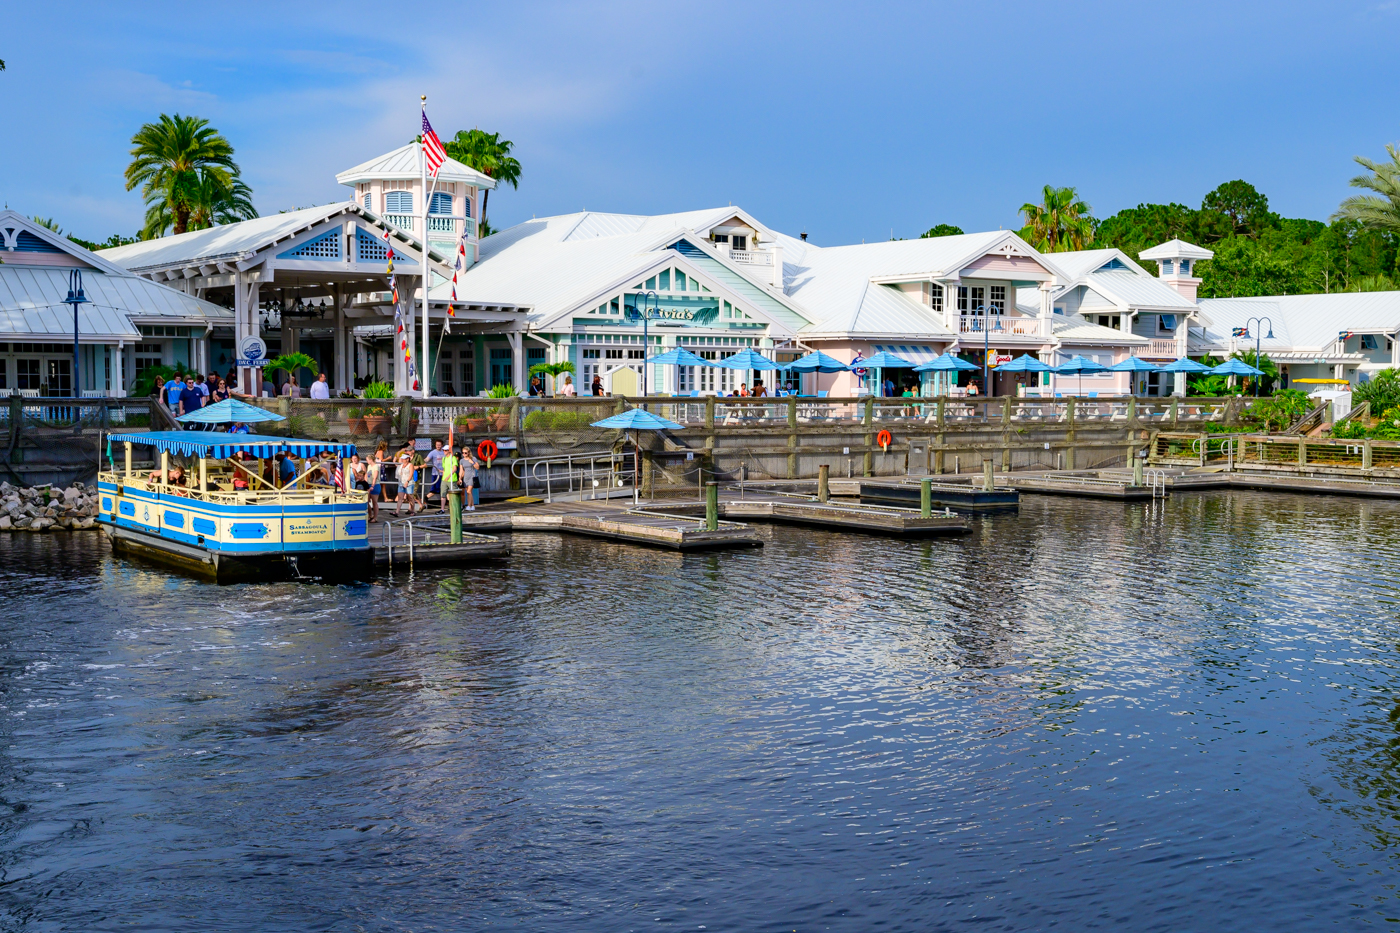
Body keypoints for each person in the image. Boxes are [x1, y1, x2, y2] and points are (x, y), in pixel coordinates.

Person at [425, 439, 446, 510]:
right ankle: (426, 498)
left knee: (445, 488)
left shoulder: (444, 452)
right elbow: (427, 459)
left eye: (439, 445)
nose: (438, 446)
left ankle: (448, 502)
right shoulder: (433, 452)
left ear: (442, 445)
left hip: (444, 473)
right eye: (437, 445)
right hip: (435, 473)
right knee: (435, 489)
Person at [365, 451, 384, 522]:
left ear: (370, 459)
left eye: (367, 459)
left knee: (374, 502)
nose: (367, 461)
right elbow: (367, 475)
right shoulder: (369, 466)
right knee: (367, 501)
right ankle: (370, 515)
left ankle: (375, 517)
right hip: (368, 484)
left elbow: (375, 477)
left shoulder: (376, 466)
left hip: (375, 485)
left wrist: (372, 485)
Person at [459, 446, 479, 512]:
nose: (464, 454)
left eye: (465, 453)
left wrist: (472, 462)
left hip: (472, 476)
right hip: (465, 477)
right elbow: (461, 470)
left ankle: (469, 506)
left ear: (468, 453)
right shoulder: (461, 460)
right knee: (468, 492)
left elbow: (477, 467)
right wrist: (460, 478)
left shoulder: (473, 458)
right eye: (463, 453)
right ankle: (472, 506)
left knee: (469, 492)